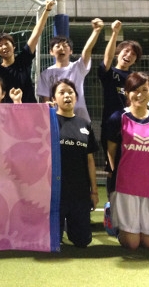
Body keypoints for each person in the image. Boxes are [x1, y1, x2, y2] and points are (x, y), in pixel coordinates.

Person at [106, 72, 149, 250]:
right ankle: (114, 219)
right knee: (132, 244)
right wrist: (117, 175)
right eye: (134, 89)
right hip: (126, 186)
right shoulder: (118, 118)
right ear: (127, 93)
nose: (140, 94)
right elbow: (111, 150)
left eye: (144, 89)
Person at [97, 21, 142, 231]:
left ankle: (130, 213)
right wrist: (114, 33)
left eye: (133, 54)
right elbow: (106, 60)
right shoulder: (110, 73)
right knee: (112, 170)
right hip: (111, 128)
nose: (128, 55)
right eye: (125, 51)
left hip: (132, 130)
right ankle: (112, 211)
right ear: (118, 52)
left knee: (131, 169)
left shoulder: (134, 80)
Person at [51, 79, 99, 248]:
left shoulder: (84, 124)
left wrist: (94, 191)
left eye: (70, 92)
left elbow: (90, 160)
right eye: (62, 92)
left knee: (82, 241)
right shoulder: (48, 122)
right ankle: (58, 228)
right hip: (55, 190)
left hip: (79, 191)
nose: (67, 96)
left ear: (76, 98)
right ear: (54, 99)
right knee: (53, 241)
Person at [37, 18, 104, 121]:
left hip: (80, 117)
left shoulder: (78, 67)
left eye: (65, 45)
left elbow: (87, 50)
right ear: (51, 52)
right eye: (57, 46)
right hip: (57, 119)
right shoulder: (46, 74)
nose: (61, 48)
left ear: (71, 51)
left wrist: (96, 31)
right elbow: (46, 100)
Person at [0, 0, 56, 103]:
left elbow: (36, 34)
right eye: (0, 45)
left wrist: (47, 10)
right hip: (8, 113)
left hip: (29, 110)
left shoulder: (23, 59)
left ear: (14, 46)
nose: (4, 47)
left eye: (6, 44)